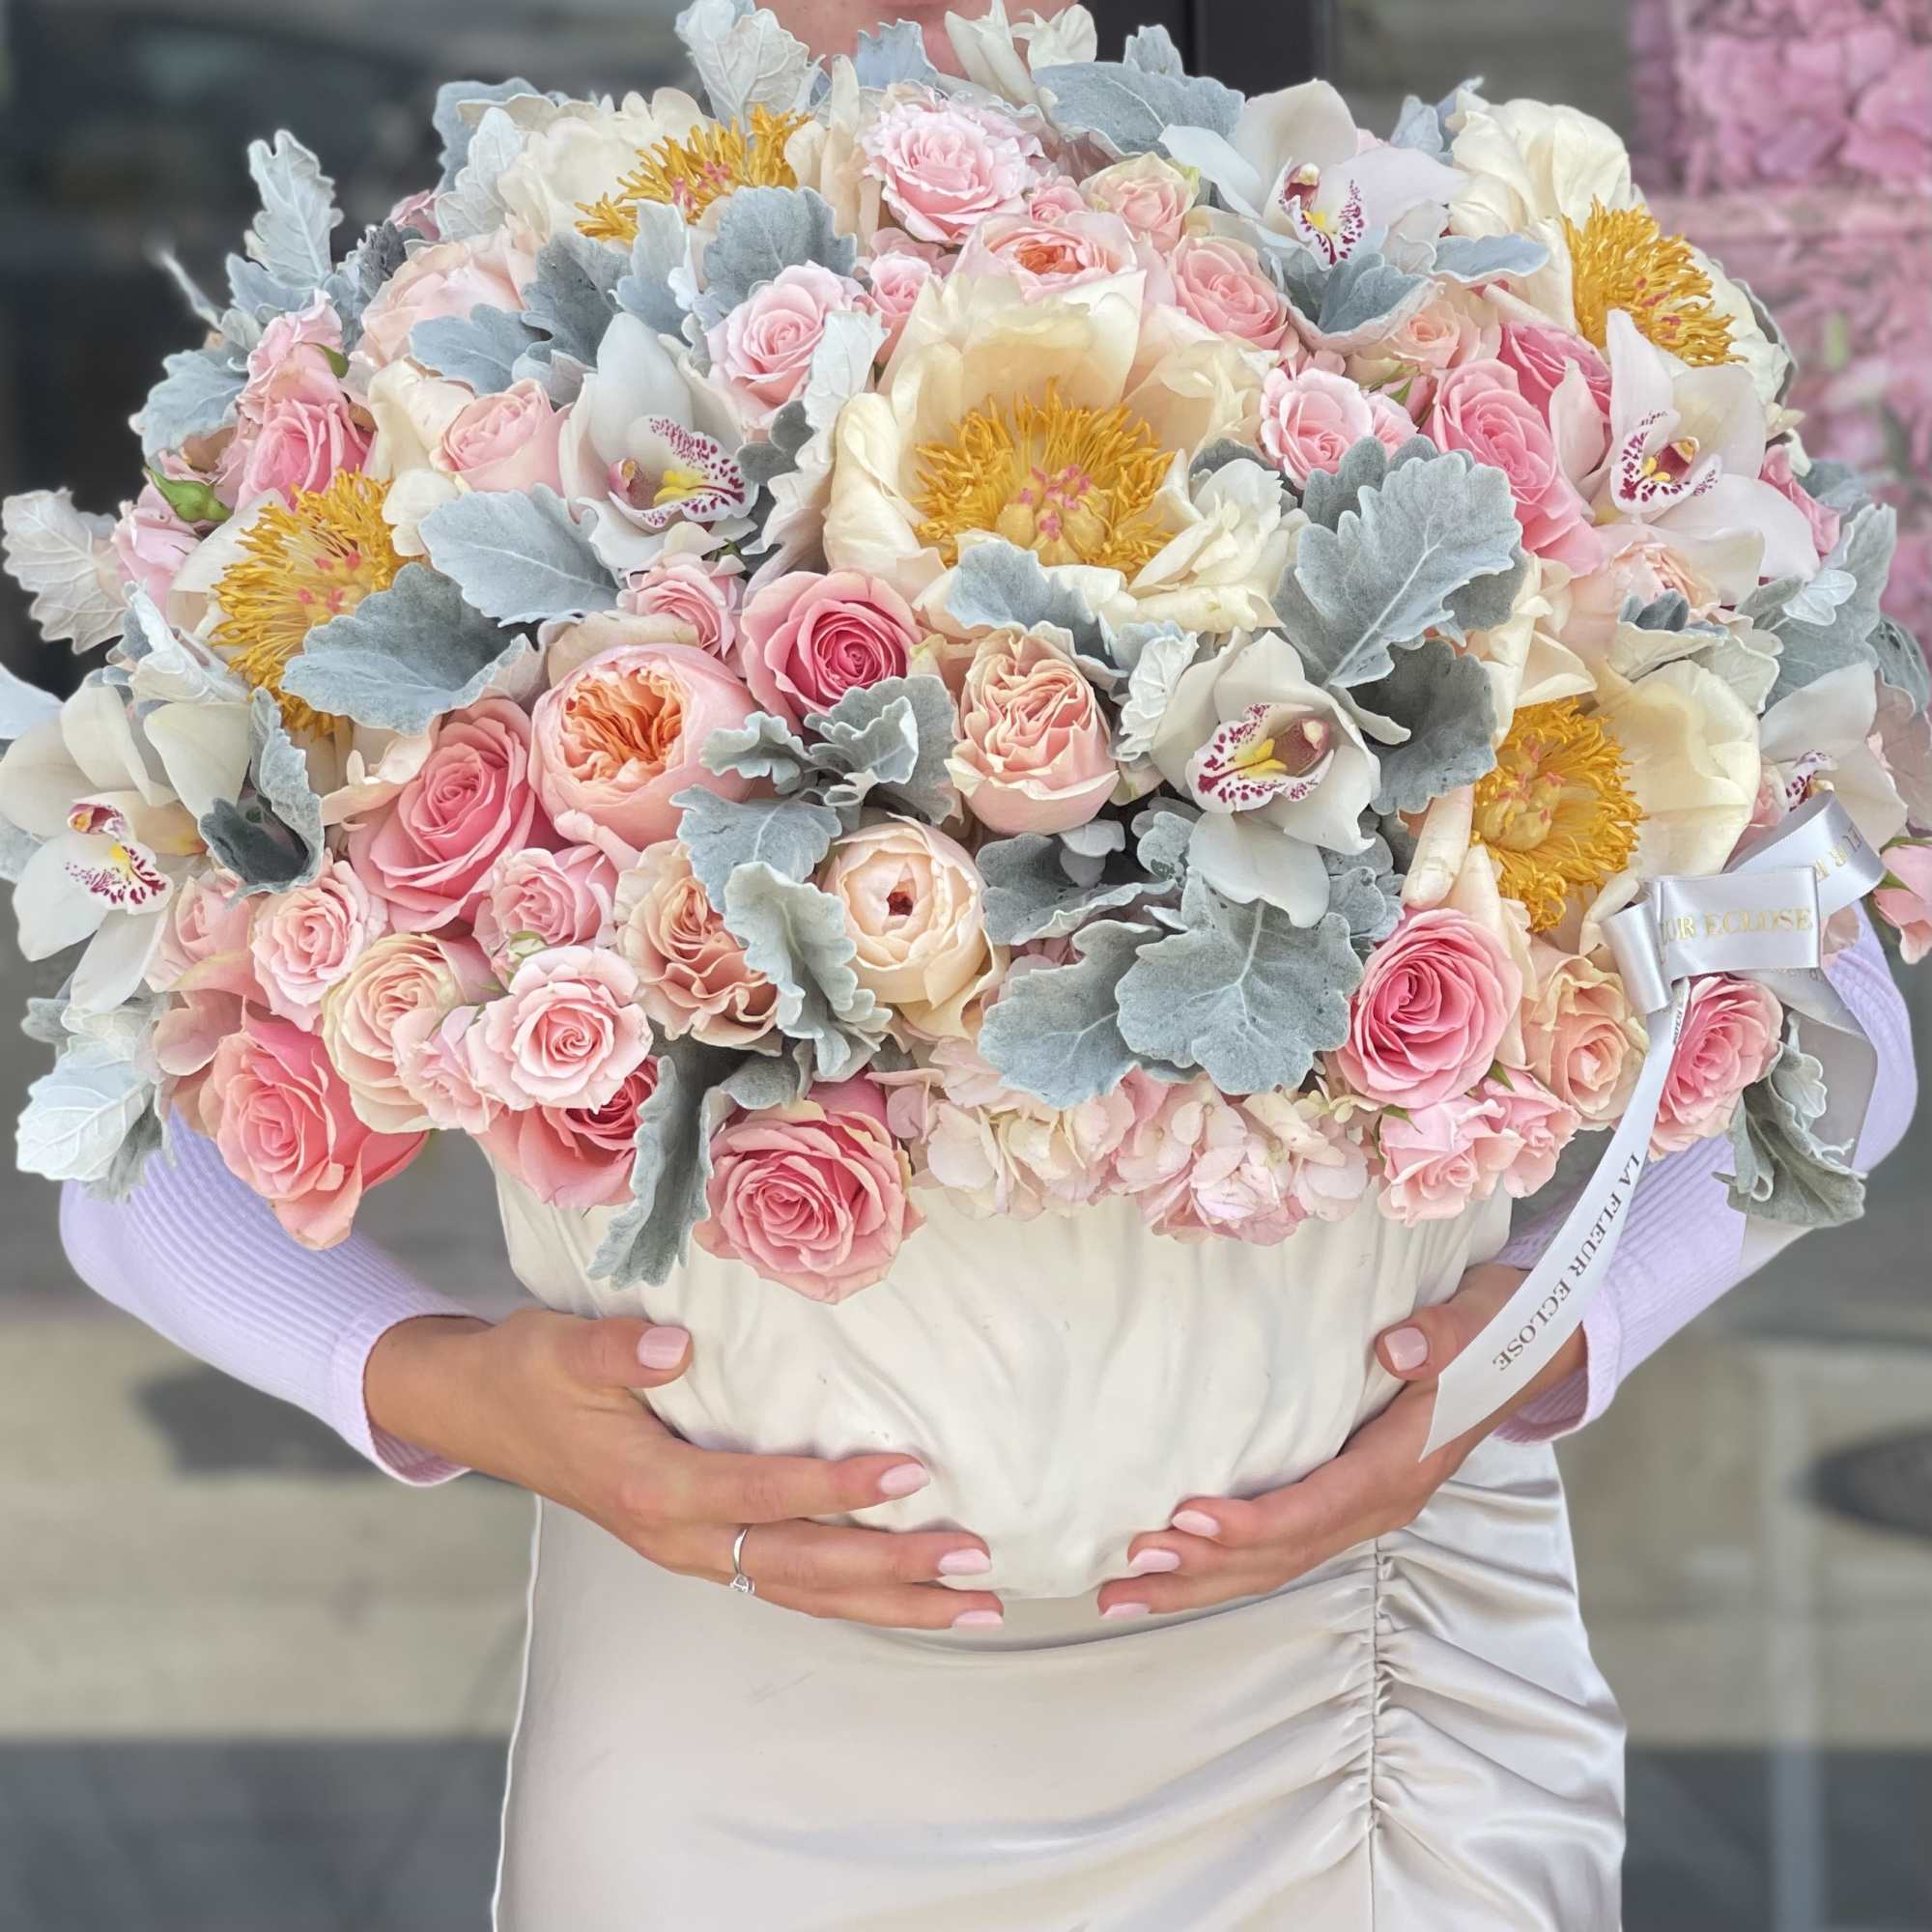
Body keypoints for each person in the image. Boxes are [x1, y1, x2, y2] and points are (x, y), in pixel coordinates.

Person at [49, 5, 1922, 1925]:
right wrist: (435, 1379)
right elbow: (139, 1081)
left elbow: (1820, 1001)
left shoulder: (1422, 306)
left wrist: (1532, 1345)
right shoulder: (488, 362)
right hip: (729, 1714)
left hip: (1349, 1708)